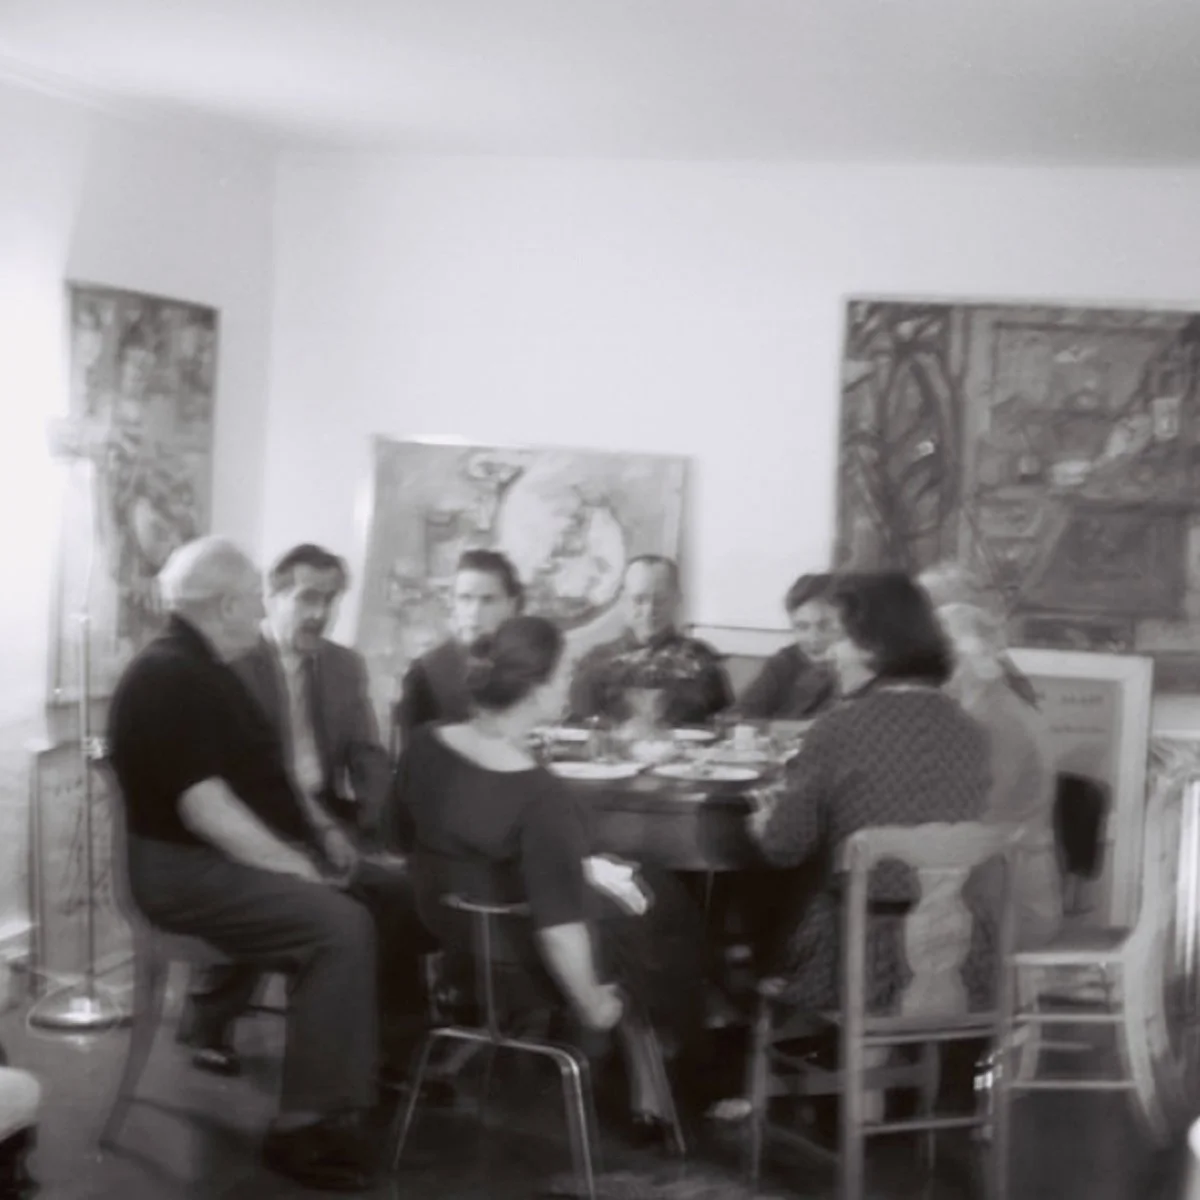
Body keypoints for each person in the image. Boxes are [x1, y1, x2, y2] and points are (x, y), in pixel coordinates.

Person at [106, 536, 386, 1191]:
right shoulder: (169, 675)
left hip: (208, 860)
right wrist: (293, 866)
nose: (262, 614)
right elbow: (206, 808)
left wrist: (318, 834)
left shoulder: (199, 666)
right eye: (256, 600)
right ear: (228, 605)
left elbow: (264, 777)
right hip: (181, 873)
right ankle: (302, 1127)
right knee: (338, 926)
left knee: (391, 896)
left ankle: (368, 1078)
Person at [392, 616, 707, 1138]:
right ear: (536, 689)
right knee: (658, 905)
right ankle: (658, 1076)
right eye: (564, 676)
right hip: (522, 954)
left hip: (453, 933)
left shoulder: (424, 745)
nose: (568, 687)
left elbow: (399, 839)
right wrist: (593, 1005)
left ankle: (655, 1058)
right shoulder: (541, 795)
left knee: (638, 888)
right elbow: (558, 929)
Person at [177, 543, 428, 1082]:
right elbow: (230, 779)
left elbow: (366, 752)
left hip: (325, 814)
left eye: (331, 599)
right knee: (323, 897)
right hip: (252, 818)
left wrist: (377, 822)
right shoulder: (232, 664)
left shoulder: (343, 666)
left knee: (400, 894)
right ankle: (212, 1019)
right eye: (308, 597)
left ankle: (400, 1050)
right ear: (271, 596)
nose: (320, 612)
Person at [749, 571, 994, 1013]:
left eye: (839, 638)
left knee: (766, 917)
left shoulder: (837, 729)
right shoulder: (972, 731)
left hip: (856, 963)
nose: (830, 654)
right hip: (960, 956)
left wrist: (765, 824)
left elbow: (785, 848)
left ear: (874, 647)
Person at [938, 602, 1063, 949]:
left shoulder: (999, 722)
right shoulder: (982, 711)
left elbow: (974, 816)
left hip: (1012, 909)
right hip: (993, 892)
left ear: (978, 659)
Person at [568, 555, 732, 727]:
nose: (649, 610)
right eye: (639, 600)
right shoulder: (594, 663)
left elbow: (724, 726)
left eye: (660, 600)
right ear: (623, 601)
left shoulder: (702, 661)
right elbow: (577, 729)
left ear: (677, 601)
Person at [394, 549, 524, 747]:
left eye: (488, 600)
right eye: (465, 598)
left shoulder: (529, 665)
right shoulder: (426, 673)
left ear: (511, 605)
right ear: (453, 602)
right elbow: (412, 755)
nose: (474, 612)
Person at [917, 560, 1038, 708]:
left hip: (953, 666)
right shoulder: (972, 613)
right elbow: (997, 640)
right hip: (977, 663)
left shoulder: (934, 617)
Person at [736, 572, 838, 720]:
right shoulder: (786, 661)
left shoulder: (857, 671)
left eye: (825, 626)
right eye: (802, 627)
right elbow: (741, 713)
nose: (813, 638)